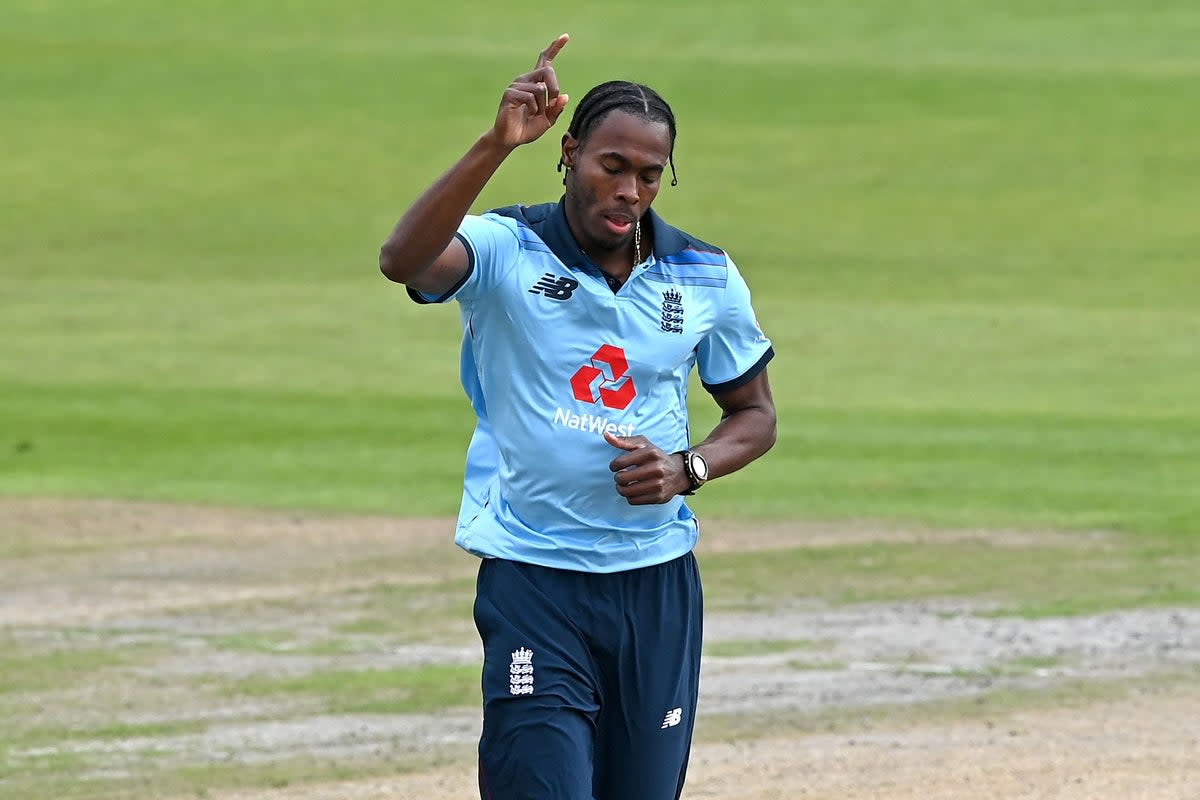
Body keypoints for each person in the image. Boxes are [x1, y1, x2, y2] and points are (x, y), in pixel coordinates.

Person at [378, 33, 776, 800]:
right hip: (535, 580)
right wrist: (494, 145)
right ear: (569, 154)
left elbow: (754, 416)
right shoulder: (507, 248)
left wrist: (686, 468)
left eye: (649, 175)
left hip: (655, 587)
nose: (630, 189)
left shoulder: (705, 275)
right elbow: (405, 260)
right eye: (613, 166)